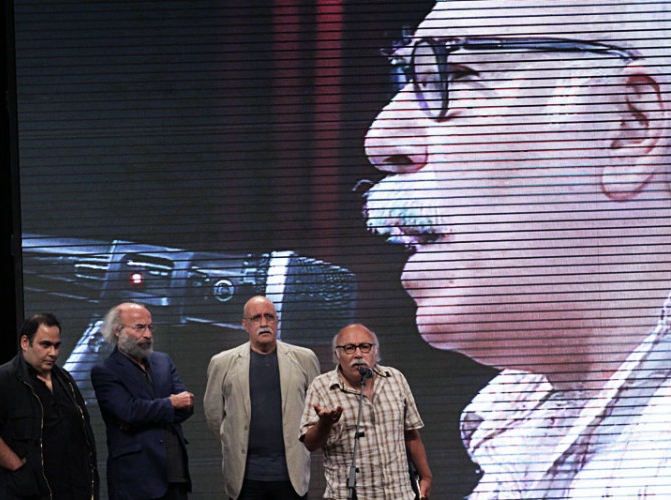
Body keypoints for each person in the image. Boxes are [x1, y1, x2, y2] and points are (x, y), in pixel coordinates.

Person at [362, 0, 671, 497]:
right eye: (408, 80)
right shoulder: (512, 433)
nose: (381, 140)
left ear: (628, 128)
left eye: (455, 77)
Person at [204, 295, 320, 500]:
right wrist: (233, 437)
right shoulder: (222, 363)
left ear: (277, 321)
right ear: (245, 325)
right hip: (245, 477)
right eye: (256, 318)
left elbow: (316, 409)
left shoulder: (304, 358)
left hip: (291, 474)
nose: (264, 323)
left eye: (269, 317)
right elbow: (214, 415)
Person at [0, 312, 99, 499]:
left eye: (56, 346)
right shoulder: (2, 380)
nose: (53, 353)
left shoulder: (65, 380)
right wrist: (19, 469)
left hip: (70, 489)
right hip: (25, 492)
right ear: (25, 343)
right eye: (45, 345)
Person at [300, 323, 433, 500]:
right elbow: (310, 444)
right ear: (337, 355)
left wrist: (426, 476)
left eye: (365, 347)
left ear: (375, 351)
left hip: (399, 494)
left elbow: (410, 434)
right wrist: (324, 424)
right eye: (349, 348)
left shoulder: (395, 379)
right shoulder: (322, 387)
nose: (358, 354)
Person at [91, 302, 194, 500]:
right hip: (136, 478)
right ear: (118, 331)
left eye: (149, 327)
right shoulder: (105, 371)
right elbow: (128, 412)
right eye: (139, 327)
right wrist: (170, 404)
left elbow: (187, 405)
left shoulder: (163, 361)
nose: (147, 334)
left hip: (175, 473)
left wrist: (146, 414)